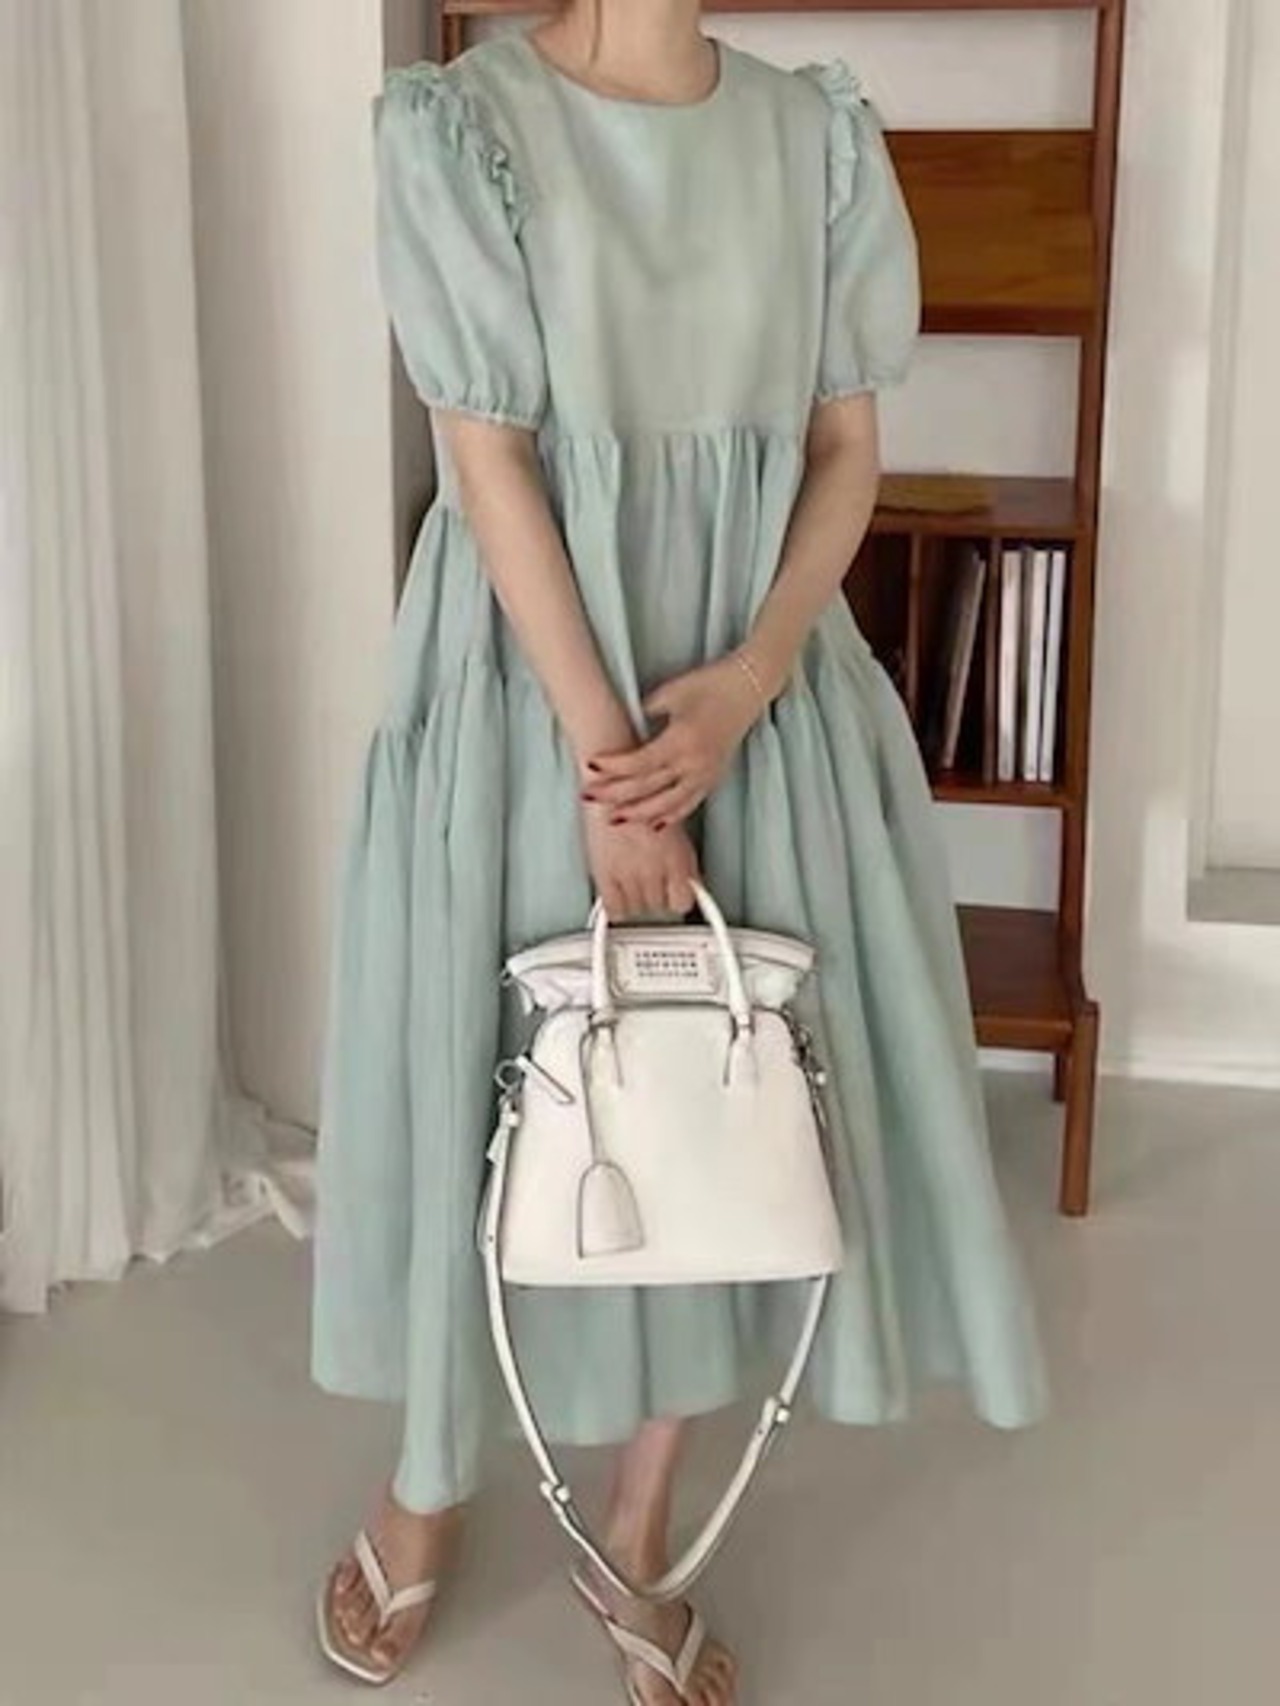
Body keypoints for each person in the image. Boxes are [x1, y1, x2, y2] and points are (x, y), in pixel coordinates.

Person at [310, 1, 1048, 1698]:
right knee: (493, 1085)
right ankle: (431, 1478)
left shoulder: (817, 134)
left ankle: (638, 1517)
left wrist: (750, 682)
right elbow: (485, 461)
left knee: (730, 1093)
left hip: (753, 688)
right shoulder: (463, 125)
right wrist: (616, 767)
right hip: (534, 687)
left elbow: (848, 450)